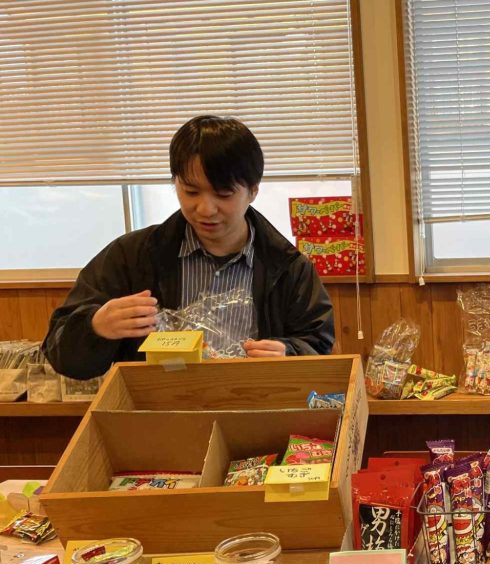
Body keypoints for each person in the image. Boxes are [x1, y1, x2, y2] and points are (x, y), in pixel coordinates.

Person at [44, 115, 335, 379]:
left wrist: (289, 353)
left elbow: (317, 344)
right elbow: (61, 354)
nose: (205, 209)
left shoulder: (288, 267)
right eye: (191, 191)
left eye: (223, 194)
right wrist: (95, 328)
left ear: (253, 190)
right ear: (175, 183)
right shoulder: (132, 257)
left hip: (255, 415)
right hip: (161, 420)